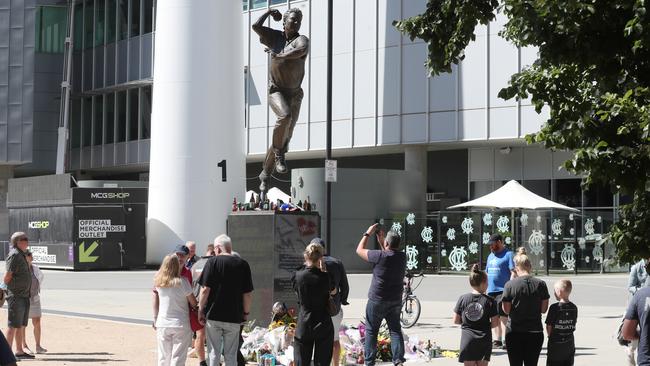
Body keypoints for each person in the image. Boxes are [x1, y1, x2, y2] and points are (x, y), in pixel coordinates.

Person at [252, 8, 309, 191]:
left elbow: (301, 50)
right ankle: (278, 156)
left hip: (294, 94)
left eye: (298, 21)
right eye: (293, 20)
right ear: (284, 21)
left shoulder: (301, 39)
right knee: (284, 118)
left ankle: (265, 174)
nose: (296, 23)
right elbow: (255, 26)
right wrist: (269, 12)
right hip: (276, 91)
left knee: (285, 136)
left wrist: (280, 56)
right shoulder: (274, 37)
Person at [198, 234, 253, 366]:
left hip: (213, 315)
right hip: (234, 316)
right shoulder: (243, 264)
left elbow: (205, 290)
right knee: (231, 354)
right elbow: (247, 294)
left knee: (213, 353)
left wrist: (200, 309)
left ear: (217, 248)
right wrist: (245, 313)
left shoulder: (212, 262)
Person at [356, 223, 406, 366]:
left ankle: (369, 362)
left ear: (387, 243)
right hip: (395, 300)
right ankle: (398, 360)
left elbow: (359, 250)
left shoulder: (379, 256)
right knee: (395, 330)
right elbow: (389, 253)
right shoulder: (402, 257)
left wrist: (367, 233)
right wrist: (382, 241)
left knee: (371, 331)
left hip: (377, 299)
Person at [501, 247, 550, 366]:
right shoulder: (541, 284)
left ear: (516, 268)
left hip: (514, 332)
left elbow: (506, 310)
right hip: (535, 331)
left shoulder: (510, 285)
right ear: (530, 266)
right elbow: (543, 310)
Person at [292, 243, 334, 366]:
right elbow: (333, 290)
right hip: (323, 322)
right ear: (321, 257)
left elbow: (296, 290)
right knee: (322, 361)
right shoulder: (325, 277)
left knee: (301, 360)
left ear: (306, 256)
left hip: (305, 321)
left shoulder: (298, 275)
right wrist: (324, 270)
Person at [153, 254, 198, 366]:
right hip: (180, 323)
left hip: (163, 322)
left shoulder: (159, 282)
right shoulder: (183, 282)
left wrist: (155, 317)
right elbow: (193, 302)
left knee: (163, 357)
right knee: (178, 357)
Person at [312, 238, 350, 366]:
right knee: (334, 339)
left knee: (318, 340)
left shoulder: (311, 263)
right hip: (334, 307)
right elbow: (344, 285)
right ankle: (336, 364)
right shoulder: (337, 263)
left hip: (316, 308)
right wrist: (343, 300)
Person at [453, 264, 499, 366]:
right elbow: (495, 323)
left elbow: (455, 320)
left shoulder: (463, 298)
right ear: (483, 283)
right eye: (487, 282)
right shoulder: (490, 301)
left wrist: (467, 322)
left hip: (467, 339)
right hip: (484, 339)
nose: (488, 285)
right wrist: (484, 325)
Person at [3, 232, 34, 359]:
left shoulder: (22, 255)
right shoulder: (15, 255)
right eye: (24, 239)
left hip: (24, 295)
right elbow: (8, 275)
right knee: (13, 325)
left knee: (20, 324)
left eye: (27, 238)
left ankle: (19, 351)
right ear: (17, 242)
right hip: (16, 295)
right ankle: (7, 354)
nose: (27, 241)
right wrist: (2, 287)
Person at [485, 233, 516, 349]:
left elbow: (513, 271)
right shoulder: (490, 256)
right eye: (490, 245)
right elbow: (487, 272)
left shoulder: (508, 254)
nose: (491, 247)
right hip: (491, 291)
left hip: (503, 290)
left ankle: (505, 340)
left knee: (504, 316)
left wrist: (509, 286)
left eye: (492, 244)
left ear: (499, 242)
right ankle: (496, 340)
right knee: (494, 317)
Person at [545, 279, 578, 366]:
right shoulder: (574, 307)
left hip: (556, 343)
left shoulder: (554, 308)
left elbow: (549, 325)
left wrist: (549, 335)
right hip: (569, 342)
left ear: (559, 292)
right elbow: (574, 322)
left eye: (554, 291)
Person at [625, 258, 650, 365]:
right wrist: (640, 291)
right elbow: (630, 286)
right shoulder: (636, 267)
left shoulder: (642, 295)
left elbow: (627, 333)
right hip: (639, 301)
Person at [21, 251, 46, 354]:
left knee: (37, 322)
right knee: (23, 324)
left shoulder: (35, 268)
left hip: (35, 299)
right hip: (23, 299)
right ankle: (24, 345)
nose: (32, 257)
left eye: (31, 255)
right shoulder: (20, 269)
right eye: (29, 256)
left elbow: (39, 279)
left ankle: (38, 346)